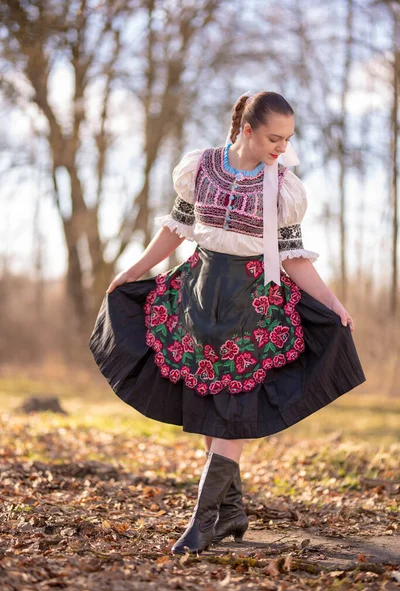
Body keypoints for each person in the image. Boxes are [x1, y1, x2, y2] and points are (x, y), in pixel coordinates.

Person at [89, 91, 366, 555]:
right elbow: (175, 229)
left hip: (252, 309)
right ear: (248, 130)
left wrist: (333, 303)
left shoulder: (284, 188)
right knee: (209, 412)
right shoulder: (200, 167)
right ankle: (231, 510)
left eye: (289, 139)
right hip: (198, 297)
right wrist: (134, 271)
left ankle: (202, 524)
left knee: (232, 414)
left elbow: (295, 259)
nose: (283, 147)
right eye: (275, 138)